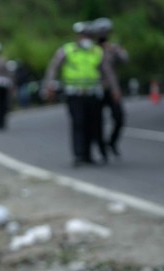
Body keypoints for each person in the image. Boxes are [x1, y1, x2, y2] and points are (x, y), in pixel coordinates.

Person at [43, 21, 121, 167]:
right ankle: (79, 155)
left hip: (93, 94)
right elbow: (53, 67)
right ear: (78, 36)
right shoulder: (67, 50)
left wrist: (115, 90)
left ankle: (89, 155)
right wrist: (49, 85)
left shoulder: (97, 51)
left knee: (93, 124)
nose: (86, 38)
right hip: (74, 94)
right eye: (83, 35)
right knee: (78, 123)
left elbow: (108, 73)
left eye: (89, 35)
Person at [92, 17, 128, 157]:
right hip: (95, 90)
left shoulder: (112, 48)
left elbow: (125, 59)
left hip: (112, 89)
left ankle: (112, 142)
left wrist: (115, 50)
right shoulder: (90, 50)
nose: (103, 35)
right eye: (100, 32)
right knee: (97, 121)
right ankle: (102, 150)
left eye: (105, 32)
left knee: (119, 118)